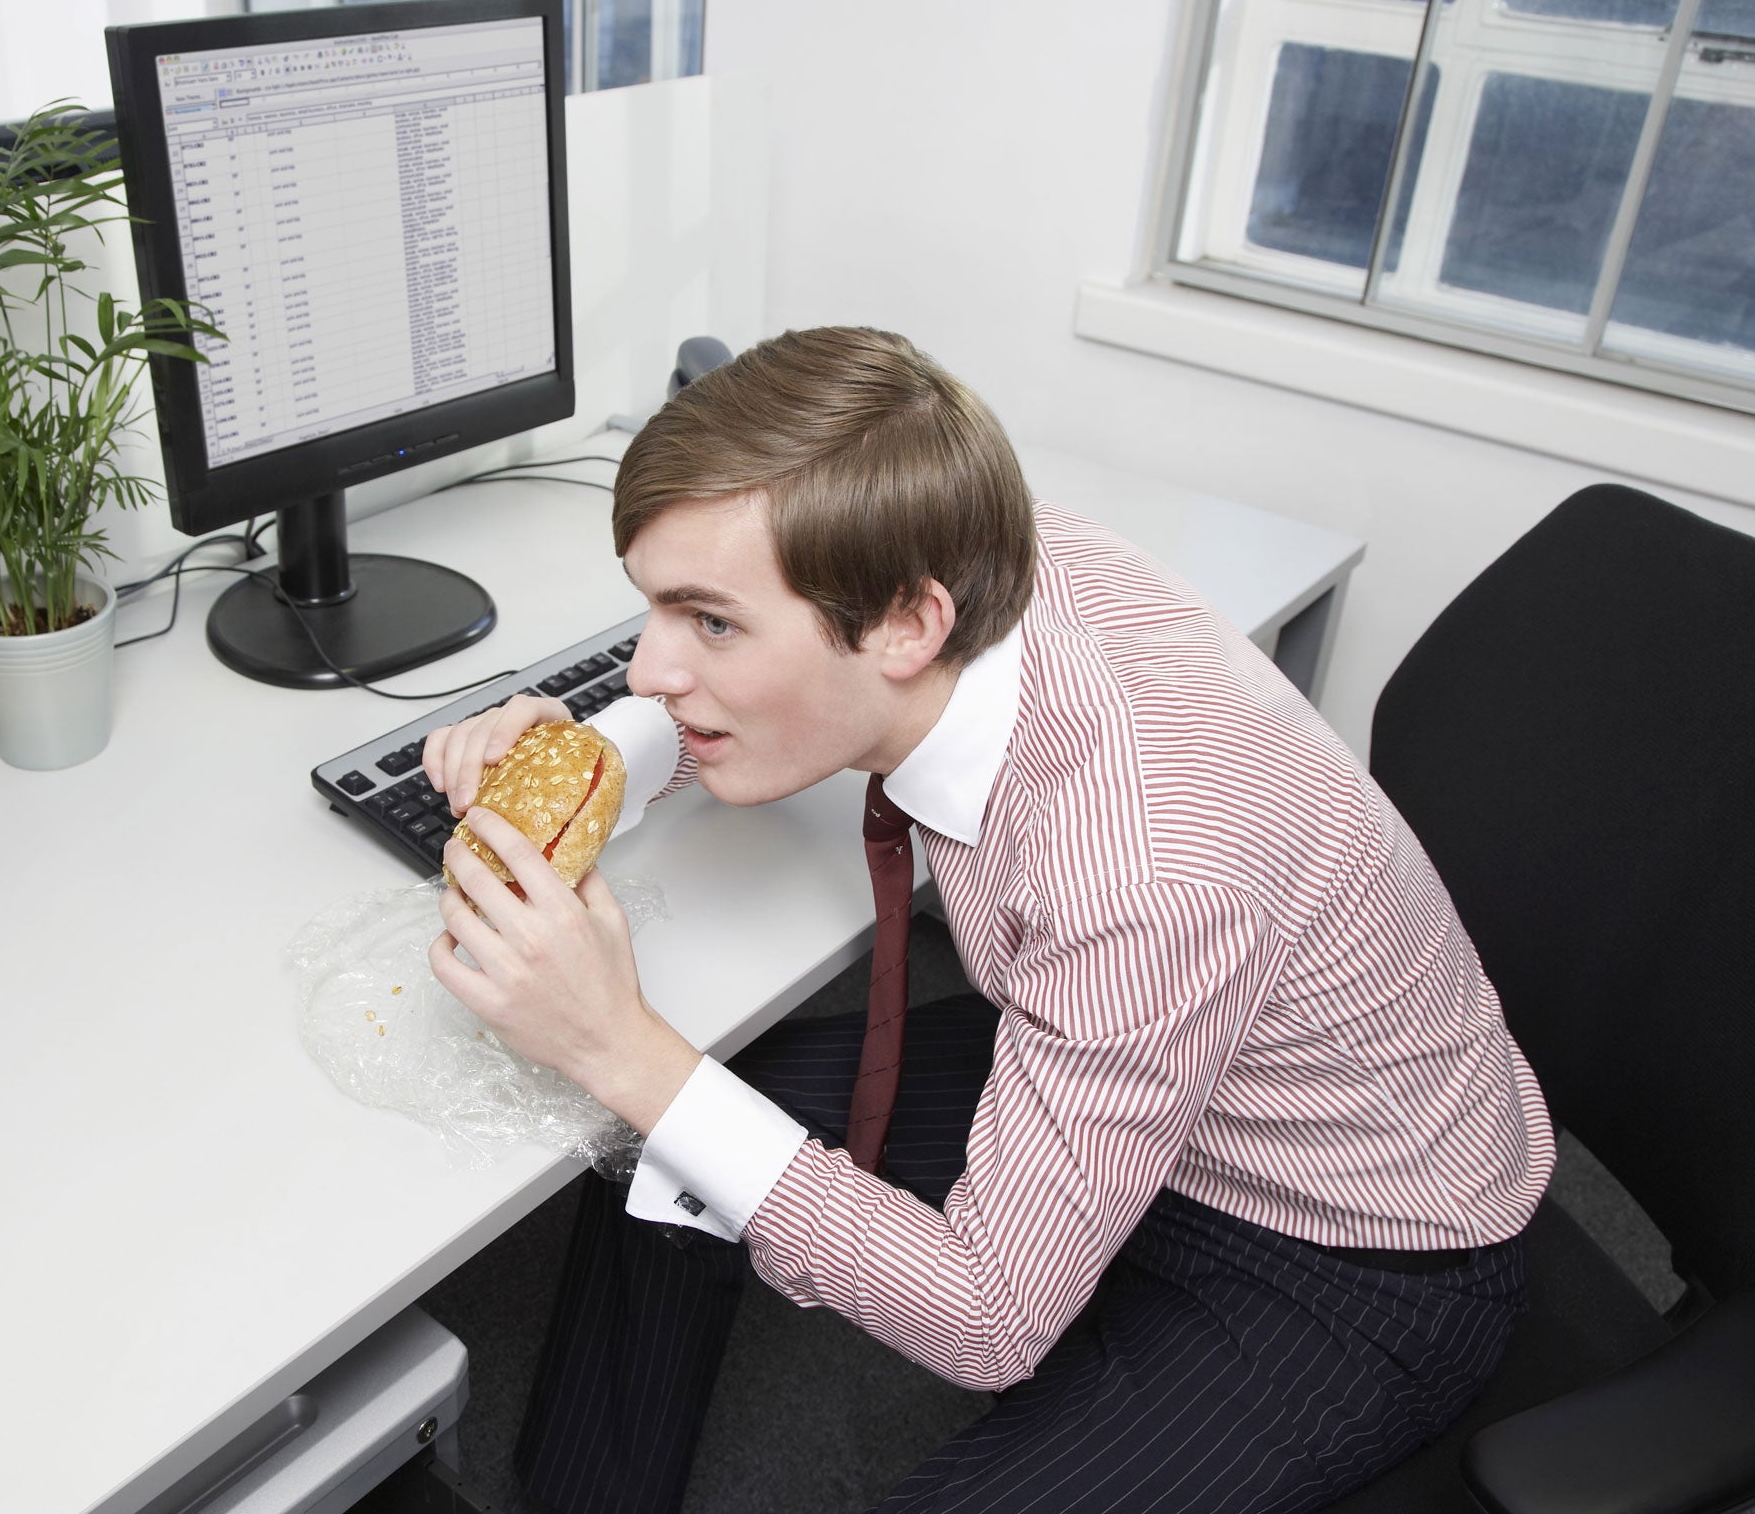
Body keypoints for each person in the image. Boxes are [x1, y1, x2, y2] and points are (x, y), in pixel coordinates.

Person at [421, 327, 1554, 1514]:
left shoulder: (1144, 870)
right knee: (671, 1136)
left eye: (709, 623)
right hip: (1143, 1064)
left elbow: (987, 1318)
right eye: (656, 611)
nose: (648, 667)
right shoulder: (977, 542)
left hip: (1344, 1243)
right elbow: (753, 694)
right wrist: (586, 751)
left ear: (908, 625)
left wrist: (615, 1042)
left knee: (659, 1086)